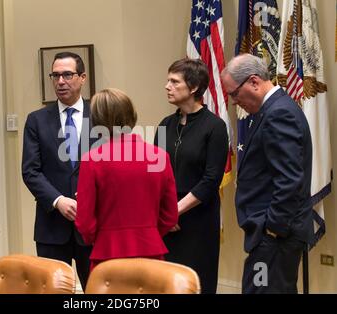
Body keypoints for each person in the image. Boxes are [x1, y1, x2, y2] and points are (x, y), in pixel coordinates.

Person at [221, 53, 313, 294]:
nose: (233, 101)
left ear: (253, 82)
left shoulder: (278, 113)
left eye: (234, 93)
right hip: (271, 235)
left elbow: (290, 179)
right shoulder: (271, 110)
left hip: (275, 237)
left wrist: (272, 228)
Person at [75, 88, 178, 270]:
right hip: (151, 253)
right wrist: (149, 233)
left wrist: (98, 239)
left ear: (96, 120)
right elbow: (170, 215)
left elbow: (85, 221)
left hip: (107, 255)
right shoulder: (160, 156)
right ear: (131, 115)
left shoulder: (91, 160)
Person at [155, 58, 228, 294]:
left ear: (194, 87)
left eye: (174, 81)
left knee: (196, 284)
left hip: (198, 220)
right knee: (166, 284)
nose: (167, 86)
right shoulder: (165, 124)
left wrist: (175, 211)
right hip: (166, 222)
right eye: (168, 81)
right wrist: (165, 212)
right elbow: (155, 174)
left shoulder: (214, 126)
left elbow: (211, 180)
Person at [22, 52, 94, 290]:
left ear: (82, 78)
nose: (60, 81)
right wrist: (58, 200)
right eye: (56, 75)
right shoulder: (37, 120)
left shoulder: (100, 115)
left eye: (67, 75)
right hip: (51, 226)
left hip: (93, 224)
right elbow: (30, 171)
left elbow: (112, 168)